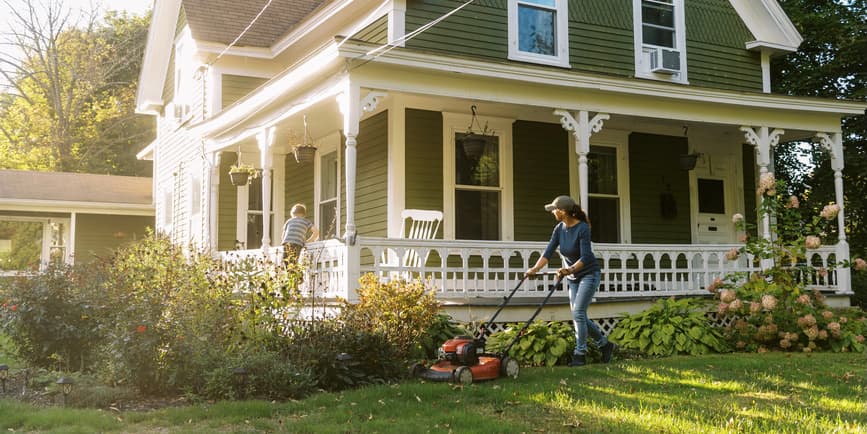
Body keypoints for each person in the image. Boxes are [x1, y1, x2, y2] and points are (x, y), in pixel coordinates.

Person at [525, 195, 616, 367]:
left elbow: (586, 257)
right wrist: (534, 269)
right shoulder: (559, 228)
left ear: (563, 212)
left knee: (578, 313)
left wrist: (570, 270)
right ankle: (605, 345)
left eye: (554, 210)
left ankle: (580, 354)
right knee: (578, 314)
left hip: (589, 274)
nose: (552, 213)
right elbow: (548, 252)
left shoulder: (582, 228)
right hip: (573, 278)